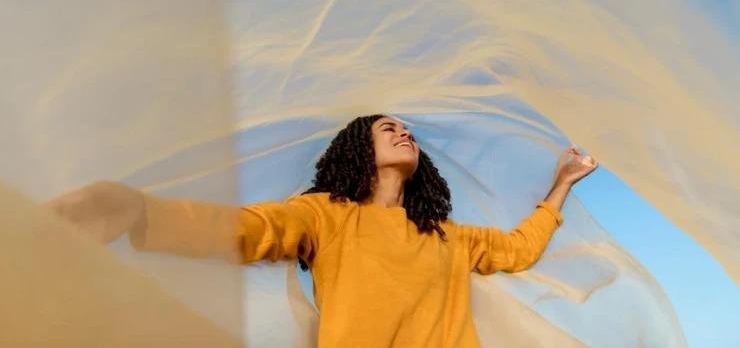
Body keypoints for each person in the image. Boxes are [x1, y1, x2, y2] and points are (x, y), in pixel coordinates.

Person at [46, 114, 598, 347]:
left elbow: (519, 249)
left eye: (408, 131)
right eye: (388, 128)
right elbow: (245, 230)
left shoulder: (449, 237)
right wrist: (139, 211)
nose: (404, 134)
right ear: (358, 150)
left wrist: (562, 183)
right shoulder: (324, 215)